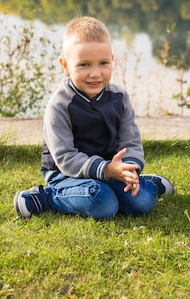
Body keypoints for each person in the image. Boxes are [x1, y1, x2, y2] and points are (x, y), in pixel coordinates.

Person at [14, 16, 173, 220]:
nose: (95, 73)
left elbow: (130, 141)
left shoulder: (120, 97)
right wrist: (106, 169)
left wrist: (129, 169)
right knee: (104, 205)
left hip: (112, 170)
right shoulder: (60, 105)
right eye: (84, 65)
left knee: (142, 203)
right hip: (67, 175)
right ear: (65, 65)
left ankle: (144, 182)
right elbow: (65, 158)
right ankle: (46, 197)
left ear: (112, 60)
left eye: (103, 63)